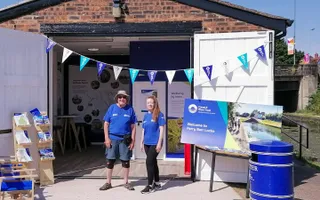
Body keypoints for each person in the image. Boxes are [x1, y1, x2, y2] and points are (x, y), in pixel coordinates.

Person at [99, 90, 137, 191]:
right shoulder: (112, 108)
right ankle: (108, 182)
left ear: (126, 99)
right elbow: (106, 124)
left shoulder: (130, 109)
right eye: (120, 97)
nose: (122, 99)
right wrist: (106, 138)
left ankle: (126, 182)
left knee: (125, 161)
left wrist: (133, 141)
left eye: (124, 97)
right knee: (110, 161)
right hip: (112, 138)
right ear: (117, 98)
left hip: (125, 139)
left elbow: (133, 126)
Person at [140, 96, 166, 194]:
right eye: (148, 103)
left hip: (155, 143)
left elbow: (161, 129)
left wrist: (159, 143)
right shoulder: (146, 115)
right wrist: (141, 142)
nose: (150, 104)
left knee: (149, 162)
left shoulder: (159, 114)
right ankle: (157, 183)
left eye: (151, 102)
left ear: (155, 104)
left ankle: (150, 185)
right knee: (153, 162)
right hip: (147, 143)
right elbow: (143, 129)